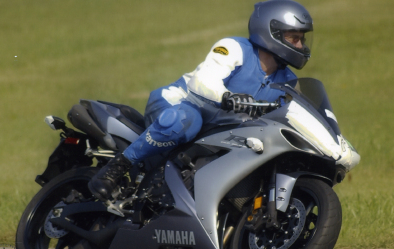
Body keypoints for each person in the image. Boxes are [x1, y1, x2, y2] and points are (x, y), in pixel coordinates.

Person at [88, 0, 314, 201]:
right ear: (271, 32)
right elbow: (203, 81)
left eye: (302, 40)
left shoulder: (287, 80)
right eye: (294, 38)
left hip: (218, 131)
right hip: (177, 105)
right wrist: (226, 97)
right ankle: (116, 168)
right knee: (186, 121)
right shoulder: (234, 48)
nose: (300, 46)